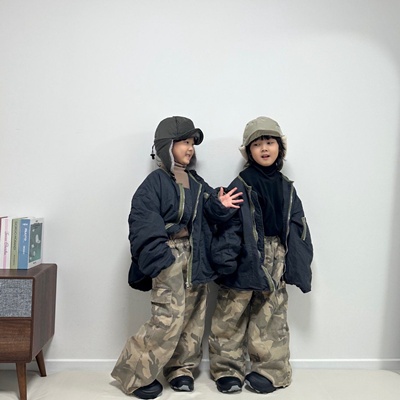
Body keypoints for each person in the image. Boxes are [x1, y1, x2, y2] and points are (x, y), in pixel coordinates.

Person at [111, 116, 243, 399]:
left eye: (192, 142)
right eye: (183, 142)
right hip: (169, 257)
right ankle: (132, 373)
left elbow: (208, 209)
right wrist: (161, 258)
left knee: (193, 317)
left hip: (195, 257)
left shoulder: (194, 181)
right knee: (167, 318)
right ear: (166, 146)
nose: (190, 148)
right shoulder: (155, 183)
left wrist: (220, 205)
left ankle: (181, 369)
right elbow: (143, 222)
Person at [208, 116, 313, 394]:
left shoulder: (286, 186)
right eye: (257, 144)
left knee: (271, 314)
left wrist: (298, 263)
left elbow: (298, 227)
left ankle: (269, 370)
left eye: (269, 142)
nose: (264, 148)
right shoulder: (241, 183)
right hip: (245, 254)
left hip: (276, 254)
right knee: (231, 313)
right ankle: (227, 370)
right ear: (248, 151)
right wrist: (225, 260)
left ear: (280, 148)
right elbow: (229, 223)